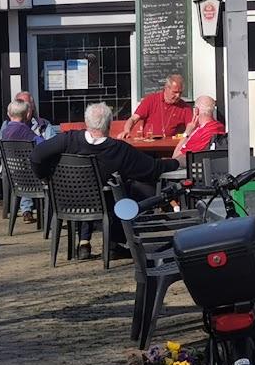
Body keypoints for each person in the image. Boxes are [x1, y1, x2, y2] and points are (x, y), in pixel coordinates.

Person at [33, 101, 173, 260]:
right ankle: (113, 243)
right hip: (102, 203)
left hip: (66, 200)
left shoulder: (68, 140)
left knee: (97, 189)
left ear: (86, 122)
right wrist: (178, 161)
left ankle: (85, 242)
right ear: (109, 124)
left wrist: (46, 178)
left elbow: (37, 156)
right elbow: (153, 168)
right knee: (130, 189)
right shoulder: (119, 149)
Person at [0, 100, 39, 223]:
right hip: (29, 177)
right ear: (27, 114)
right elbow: (43, 146)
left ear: (8, 113)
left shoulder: (5, 132)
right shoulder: (25, 132)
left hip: (13, 174)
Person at [119, 73, 191, 140]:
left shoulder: (184, 107)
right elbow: (133, 119)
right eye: (175, 92)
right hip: (149, 144)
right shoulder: (151, 100)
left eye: (180, 93)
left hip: (172, 147)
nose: (178, 96)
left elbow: (191, 126)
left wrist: (186, 134)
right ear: (166, 88)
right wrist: (127, 131)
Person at [172, 96, 226, 161]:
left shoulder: (200, 133)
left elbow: (175, 157)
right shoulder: (220, 127)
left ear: (196, 110)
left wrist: (186, 133)